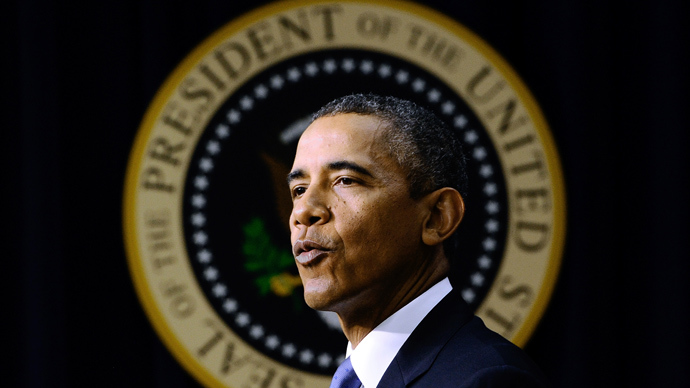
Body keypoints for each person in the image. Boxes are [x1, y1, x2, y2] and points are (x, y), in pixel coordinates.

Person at [287, 94, 549, 388]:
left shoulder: (488, 381)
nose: (304, 211)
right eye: (299, 189)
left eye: (346, 180)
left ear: (437, 217)